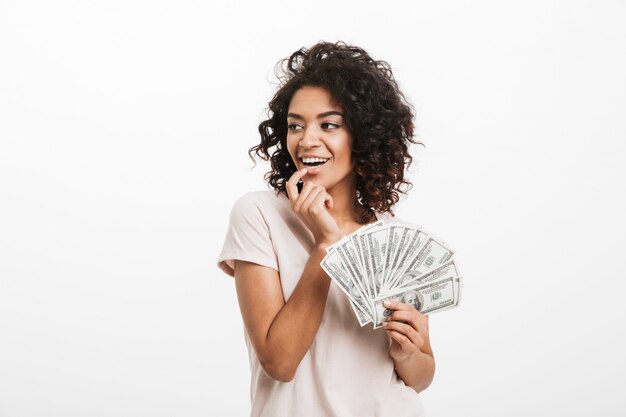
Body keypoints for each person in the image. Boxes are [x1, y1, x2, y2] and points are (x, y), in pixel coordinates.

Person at [217, 41, 434, 417]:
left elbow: (419, 377)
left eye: (328, 125)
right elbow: (279, 361)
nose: (306, 140)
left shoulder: (394, 237)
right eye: (295, 125)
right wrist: (326, 243)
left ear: (363, 137)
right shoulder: (258, 215)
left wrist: (409, 352)